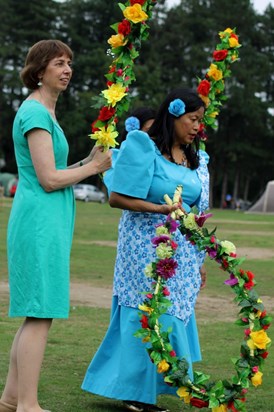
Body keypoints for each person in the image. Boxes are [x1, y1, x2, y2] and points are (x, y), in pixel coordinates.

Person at [0, 40, 112, 412]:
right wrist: (94, 169)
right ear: (39, 70)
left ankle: (12, 399)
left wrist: (88, 159)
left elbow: (52, 170)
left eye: (69, 63)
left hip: (46, 222)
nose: (67, 70)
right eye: (58, 64)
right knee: (40, 313)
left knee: (37, 312)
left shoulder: (45, 112)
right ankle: (28, 405)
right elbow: (48, 178)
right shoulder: (35, 113)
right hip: (39, 224)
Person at [81, 87, 209, 412]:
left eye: (200, 121)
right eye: (193, 119)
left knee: (173, 315)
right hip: (142, 249)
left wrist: (201, 257)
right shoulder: (143, 147)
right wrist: (157, 210)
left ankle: (157, 386)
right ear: (174, 114)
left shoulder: (195, 160)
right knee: (149, 315)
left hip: (181, 254)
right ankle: (137, 394)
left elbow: (197, 212)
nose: (197, 127)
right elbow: (116, 197)